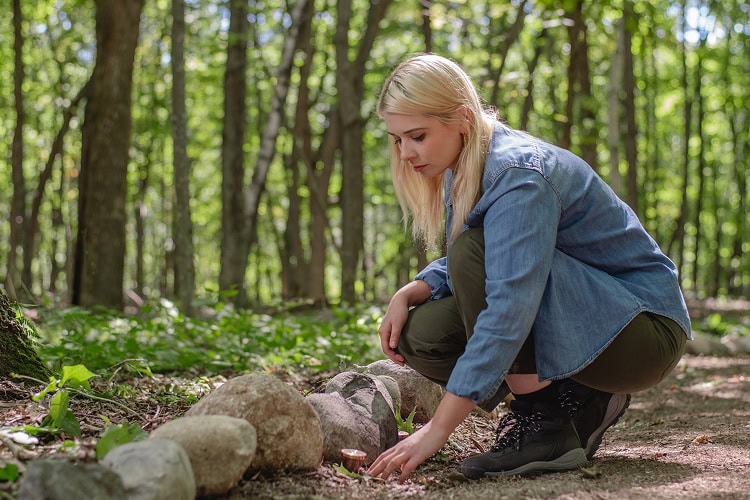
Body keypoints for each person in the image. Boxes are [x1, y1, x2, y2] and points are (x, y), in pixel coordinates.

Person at [366, 53, 691, 483]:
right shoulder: (463, 165)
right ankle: (576, 401)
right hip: (593, 316)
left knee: (471, 253)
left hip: (644, 331)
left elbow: (507, 298)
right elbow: (504, 254)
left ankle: (544, 421)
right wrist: (413, 289)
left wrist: (437, 430)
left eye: (418, 136)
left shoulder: (519, 173)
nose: (406, 153)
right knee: (421, 334)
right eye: (397, 140)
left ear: (462, 118)